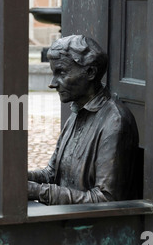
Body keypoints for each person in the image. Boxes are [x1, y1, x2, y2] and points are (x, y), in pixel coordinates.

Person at [27, 35, 139, 205]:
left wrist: (39, 192)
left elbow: (106, 199)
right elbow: (52, 172)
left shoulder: (115, 122)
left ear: (90, 72)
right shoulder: (76, 114)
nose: (53, 83)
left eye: (61, 73)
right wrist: (12, 179)